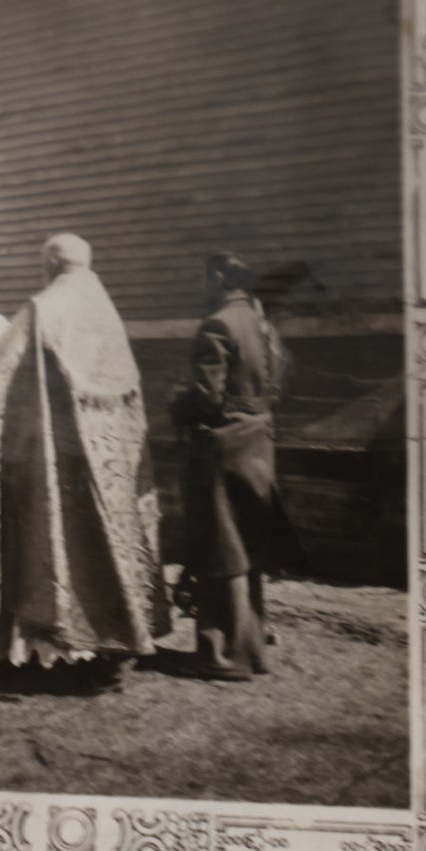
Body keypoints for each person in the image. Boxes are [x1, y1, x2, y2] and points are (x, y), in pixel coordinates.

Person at [0, 233, 170, 688]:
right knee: (102, 539)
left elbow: (2, 359)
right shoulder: (106, 312)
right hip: (107, 456)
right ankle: (108, 643)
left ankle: (56, 652)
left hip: (58, 454)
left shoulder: (46, 306)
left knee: (56, 539)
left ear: (52, 265)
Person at [169, 251, 303, 680]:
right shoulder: (260, 322)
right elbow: (280, 377)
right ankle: (253, 648)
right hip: (259, 441)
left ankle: (225, 656)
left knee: (221, 545)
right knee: (247, 543)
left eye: (202, 277)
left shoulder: (218, 324)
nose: (199, 287)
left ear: (219, 279)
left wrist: (177, 405)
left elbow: (207, 397)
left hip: (224, 444)